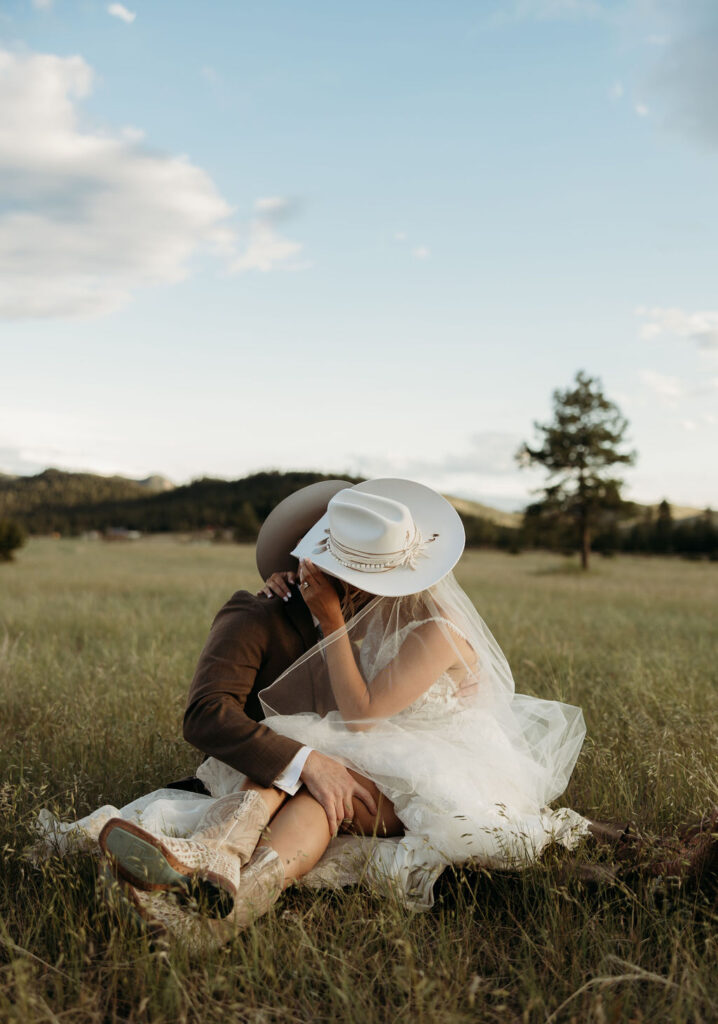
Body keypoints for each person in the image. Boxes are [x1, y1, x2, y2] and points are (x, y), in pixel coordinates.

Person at [96, 479, 630, 950]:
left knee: (322, 774)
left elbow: (361, 716)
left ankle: (217, 895)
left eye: (365, 573)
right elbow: (208, 714)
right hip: (350, 759)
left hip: (425, 766)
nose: (352, 589)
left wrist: (328, 622)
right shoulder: (260, 612)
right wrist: (306, 758)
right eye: (341, 568)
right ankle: (216, 882)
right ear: (306, 558)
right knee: (314, 768)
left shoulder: (426, 627)